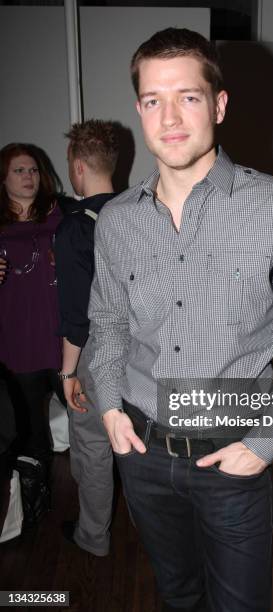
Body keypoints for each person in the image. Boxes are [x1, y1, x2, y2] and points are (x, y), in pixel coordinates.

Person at [87, 28, 273, 611]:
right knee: (177, 595)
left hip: (233, 453)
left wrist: (265, 442)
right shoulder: (117, 220)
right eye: (154, 100)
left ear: (219, 105)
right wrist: (107, 404)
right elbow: (107, 320)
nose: (170, 117)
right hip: (142, 454)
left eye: (189, 97)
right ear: (139, 110)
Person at [54, 120, 119, 557]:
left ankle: (93, 536)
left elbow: (77, 315)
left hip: (97, 347)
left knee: (93, 443)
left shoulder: (77, 226)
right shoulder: (140, 209)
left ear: (78, 167)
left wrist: (68, 371)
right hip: (145, 345)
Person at [0, 142, 64, 468]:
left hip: (61, 342)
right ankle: (39, 501)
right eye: (19, 170)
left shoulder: (60, 214)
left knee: (89, 421)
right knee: (31, 436)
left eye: (34, 170)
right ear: (3, 178)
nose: (29, 176)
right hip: (18, 344)